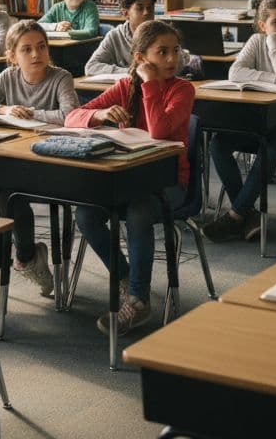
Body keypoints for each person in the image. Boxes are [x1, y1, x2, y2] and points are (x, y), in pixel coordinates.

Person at [66, 20, 194, 335]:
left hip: (169, 184)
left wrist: (150, 84)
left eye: (175, 50)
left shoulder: (182, 89)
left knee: (138, 212)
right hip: (128, 180)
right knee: (86, 215)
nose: (171, 59)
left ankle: (138, 300)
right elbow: (72, 117)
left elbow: (159, 131)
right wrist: (99, 115)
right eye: (161, 52)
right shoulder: (125, 87)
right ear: (140, 57)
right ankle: (125, 276)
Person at [0, 19, 78, 297]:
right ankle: (26, 257)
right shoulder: (8, 76)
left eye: (41, 47)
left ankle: (24, 257)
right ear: (12, 56)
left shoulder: (60, 77)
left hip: (53, 164)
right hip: (17, 158)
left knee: (7, 191)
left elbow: (70, 115)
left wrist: (31, 112)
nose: (36, 54)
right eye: (26, 49)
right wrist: (4, 110)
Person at [204, 0, 276, 243]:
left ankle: (235, 215)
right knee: (218, 143)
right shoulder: (255, 40)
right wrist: (273, 78)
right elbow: (235, 72)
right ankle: (248, 214)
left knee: (271, 145)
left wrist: (273, 44)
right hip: (258, 120)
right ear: (262, 26)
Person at [85, 0, 159, 75]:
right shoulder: (115, 36)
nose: (146, 13)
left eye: (150, 8)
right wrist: (133, 72)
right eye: (140, 8)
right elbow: (91, 67)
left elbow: (175, 66)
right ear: (125, 13)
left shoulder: (163, 34)